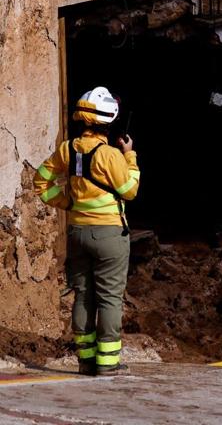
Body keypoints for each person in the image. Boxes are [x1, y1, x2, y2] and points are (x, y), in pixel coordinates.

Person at [31, 87, 140, 375]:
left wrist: (68, 202)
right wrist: (130, 157)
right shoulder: (111, 155)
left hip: (78, 233)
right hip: (109, 236)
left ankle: (86, 360)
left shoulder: (68, 149)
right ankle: (108, 362)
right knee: (109, 297)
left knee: (82, 294)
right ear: (108, 121)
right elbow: (130, 191)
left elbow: (40, 182)